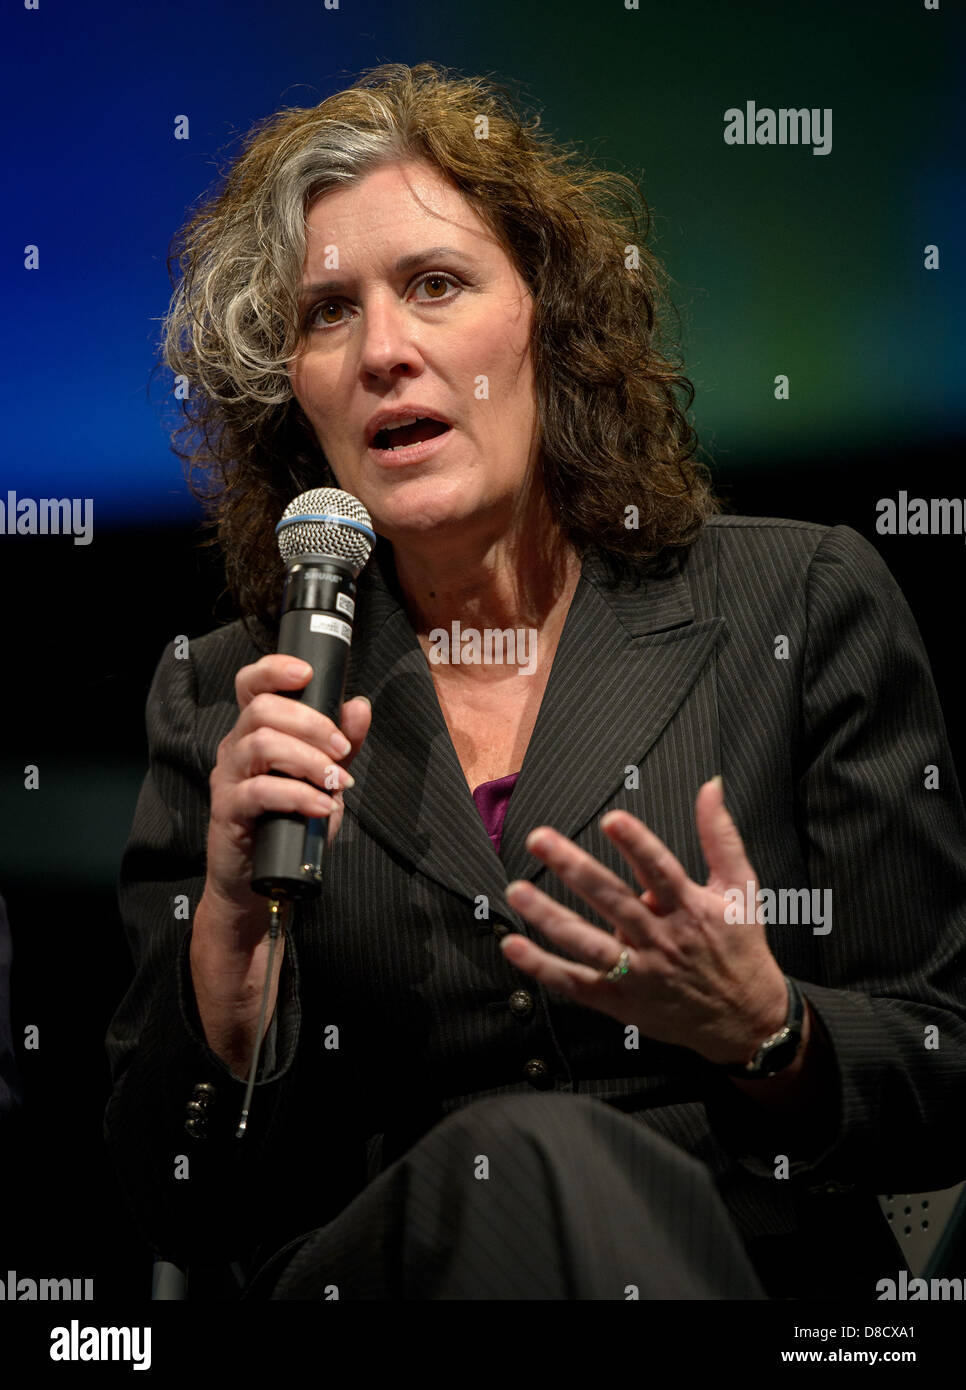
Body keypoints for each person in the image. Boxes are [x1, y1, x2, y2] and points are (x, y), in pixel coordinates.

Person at [105, 61, 966, 1301]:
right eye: (328, 314)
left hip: (741, 1272)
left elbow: (942, 1073)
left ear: (551, 325)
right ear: (295, 394)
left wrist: (766, 1030)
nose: (384, 352)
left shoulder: (802, 604)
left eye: (436, 286)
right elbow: (175, 1197)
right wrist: (233, 931)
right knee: (516, 1159)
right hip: (391, 1280)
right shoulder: (234, 696)